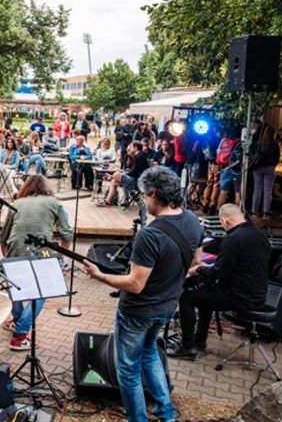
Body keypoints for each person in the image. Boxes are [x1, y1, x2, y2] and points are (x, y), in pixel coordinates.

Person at [83, 166, 202, 422]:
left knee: (128, 369)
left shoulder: (150, 234)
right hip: (167, 306)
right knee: (149, 352)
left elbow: (135, 284)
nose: (144, 201)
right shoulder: (192, 220)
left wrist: (98, 275)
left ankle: (138, 418)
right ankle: (166, 413)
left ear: (154, 194)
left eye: (145, 195)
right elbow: (195, 264)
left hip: (138, 311)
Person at [170, 204, 268, 359]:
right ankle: (199, 343)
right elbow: (242, 266)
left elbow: (218, 273)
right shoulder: (260, 235)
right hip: (257, 294)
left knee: (186, 298)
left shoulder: (233, 239)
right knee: (206, 295)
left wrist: (199, 269)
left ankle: (187, 347)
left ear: (224, 220)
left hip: (238, 297)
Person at [0, 175, 73, 350]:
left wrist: (8, 259)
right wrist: (61, 257)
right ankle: (20, 335)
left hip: (15, 248)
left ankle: (17, 321)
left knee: (15, 287)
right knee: (42, 291)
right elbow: (67, 234)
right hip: (42, 250)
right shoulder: (54, 203)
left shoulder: (17, 203)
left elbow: (3, 238)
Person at [98, 141, 150, 207]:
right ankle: (107, 201)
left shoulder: (140, 157)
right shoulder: (138, 156)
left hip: (138, 182)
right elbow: (134, 171)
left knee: (116, 175)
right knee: (114, 182)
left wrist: (124, 173)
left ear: (136, 148)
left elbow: (134, 173)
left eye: (131, 147)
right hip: (137, 180)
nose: (130, 149)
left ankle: (110, 177)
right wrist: (125, 173)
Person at [250, 125, 280, 218]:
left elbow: (253, 154)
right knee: (268, 191)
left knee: (257, 190)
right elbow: (277, 158)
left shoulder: (259, 143)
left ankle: (254, 211)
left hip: (258, 168)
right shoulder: (275, 145)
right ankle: (266, 213)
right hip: (270, 169)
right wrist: (273, 165)